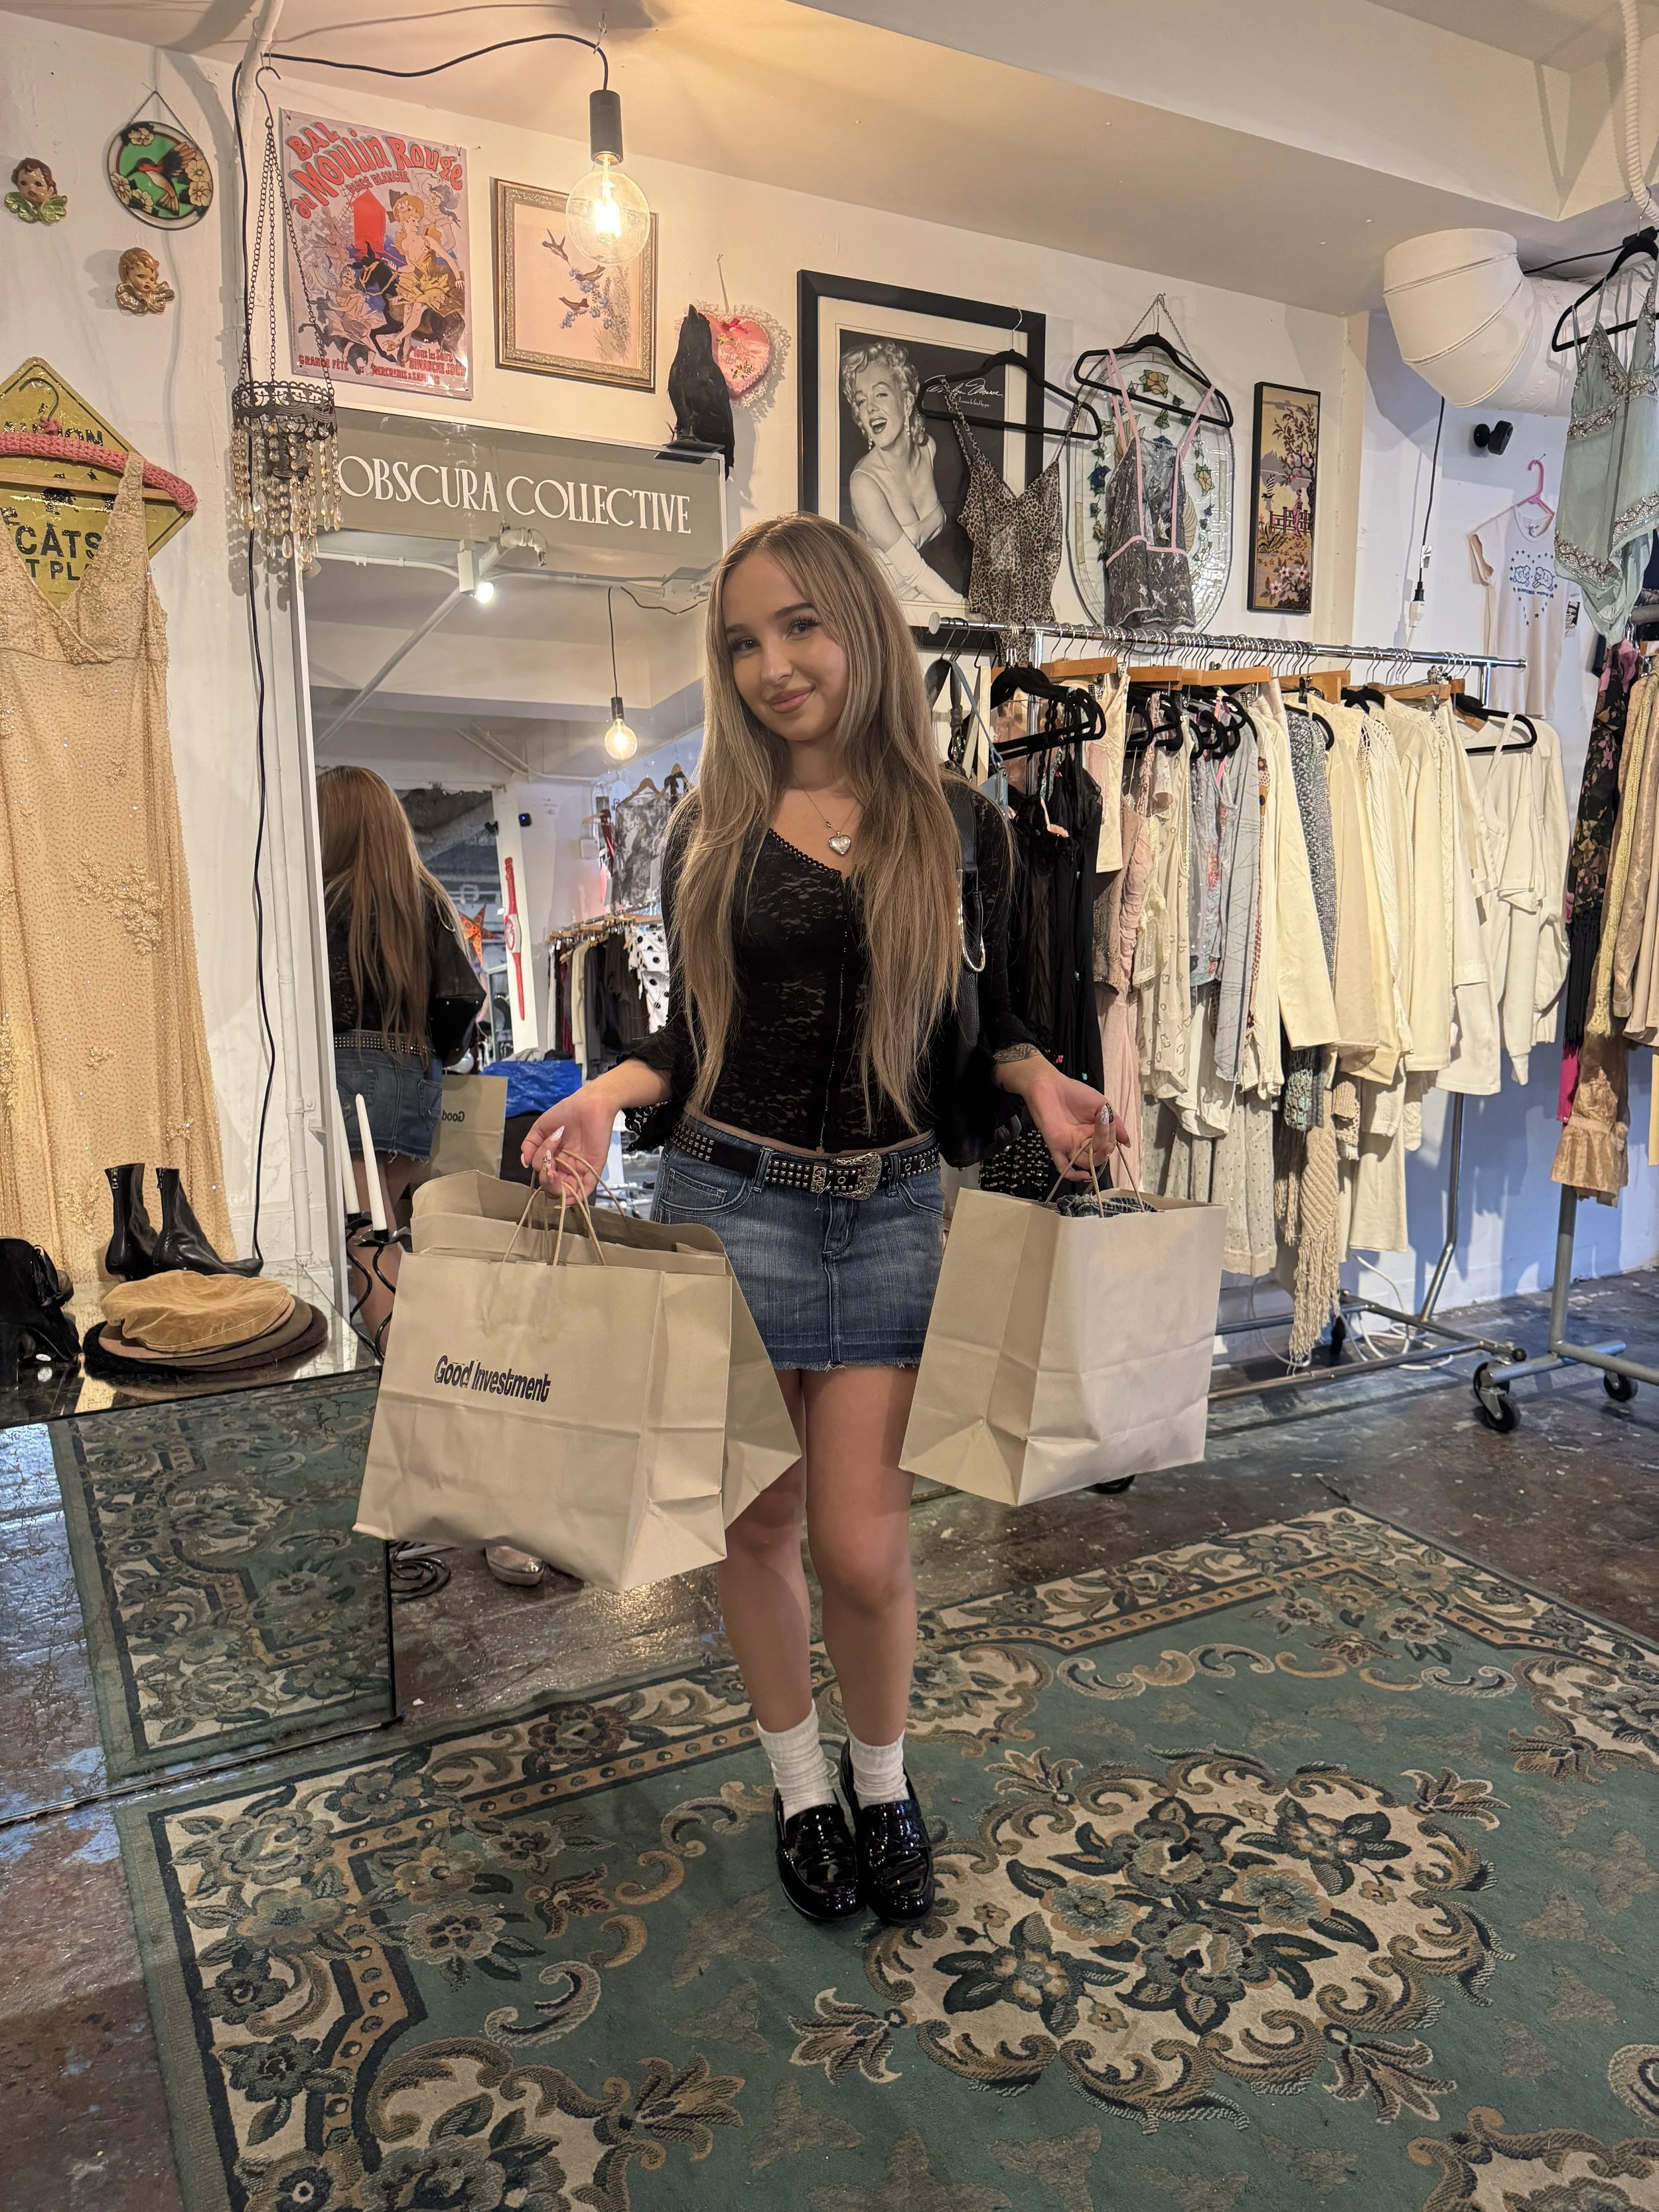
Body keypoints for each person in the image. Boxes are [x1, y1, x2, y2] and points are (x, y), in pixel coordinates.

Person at [520, 514, 1117, 1927]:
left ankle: (884, 1775)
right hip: (731, 1198)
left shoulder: (960, 823)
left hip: (897, 1208)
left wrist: (1038, 1080)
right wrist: (603, 1092)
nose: (770, 663)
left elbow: (983, 1024)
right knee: (758, 1525)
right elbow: (688, 1034)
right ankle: (801, 1784)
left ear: (859, 626)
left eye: (799, 625)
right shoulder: (707, 830)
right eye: (740, 640)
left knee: (863, 1544)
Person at [319, 766, 483, 1349]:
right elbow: (464, 996)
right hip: (415, 1081)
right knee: (384, 1229)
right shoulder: (427, 897)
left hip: (348, 1079)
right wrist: (434, 1053)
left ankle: (420, 1374)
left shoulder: (322, 904)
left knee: (366, 1237)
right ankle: (426, 1363)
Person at [841, 340, 963, 604]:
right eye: (862, 401)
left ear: (907, 403)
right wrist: (964, 610)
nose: (870, 407)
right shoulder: (864, 483)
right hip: (886, 613)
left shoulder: (929, 449)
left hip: (933, 607)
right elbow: (913, 571)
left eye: (881, 394)